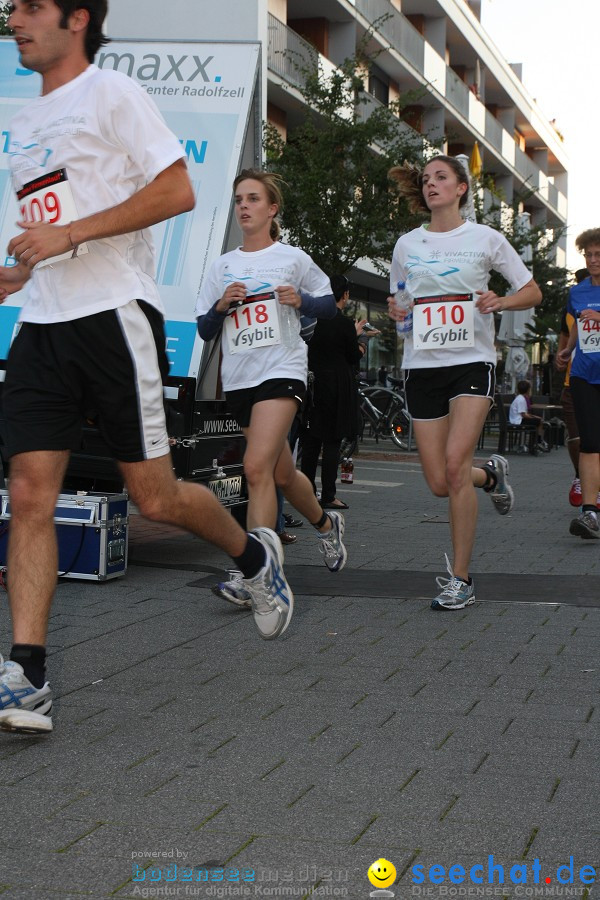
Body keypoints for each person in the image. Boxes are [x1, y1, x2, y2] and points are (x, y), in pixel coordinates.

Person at [0, 0, 296, 736]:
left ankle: (254, 559)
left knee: (155, 497)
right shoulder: (24, 124)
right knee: (31, 492)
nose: (15, 20)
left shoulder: (112, 93)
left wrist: (69, 234)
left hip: (113, 317)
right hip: (41, 322)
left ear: (76, 19)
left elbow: (177, 190)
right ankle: (27, 671)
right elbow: (38, 233)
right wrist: (15, 270)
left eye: (31, 7)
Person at [388, 156, 542, 610]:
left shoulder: (485, 238)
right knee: (440, 481)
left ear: (461, 188)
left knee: (455, 464)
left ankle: (461, 579)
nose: (431, 184)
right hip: (422, 365)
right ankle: (490, 475)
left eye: (441, 177)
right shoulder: (406, 244)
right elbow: (399, 306)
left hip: (471, 362)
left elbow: (531, 291)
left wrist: (501, 300)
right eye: (427, 179)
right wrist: (399, 314)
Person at [196, 169, 348, 609]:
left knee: (256, 468)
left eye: (253, 199)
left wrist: (302, 301)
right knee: (280, 472)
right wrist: (223, 306)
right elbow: (205, 329)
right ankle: (326, 525)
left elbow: (330, 307)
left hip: (283, 368)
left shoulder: (292, 258)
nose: (244, 206)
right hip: (241, 378)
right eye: (239, 199)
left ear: (271, 208)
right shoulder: (223, 266)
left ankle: (258, 575)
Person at [300, 274, 365, 510]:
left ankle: (306, 493)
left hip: (313, 385)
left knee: (311, 442)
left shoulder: (311, 320)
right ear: (344, 294)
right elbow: (352, 356)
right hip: (337, 387)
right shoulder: (344, 323)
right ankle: (328, 495)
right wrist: (361, 342)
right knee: (332, 442)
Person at [557, 230, 600, 539]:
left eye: (598, 254)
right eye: (589, 254)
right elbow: (577, 326)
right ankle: (589, 513)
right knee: (589, 442)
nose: (593, 260)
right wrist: (568, 350)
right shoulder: (577, 292)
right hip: (584, 373)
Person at [555, 268, 588, 507]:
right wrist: (561, 353)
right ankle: (580, 475)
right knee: (576, 437)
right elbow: (565, 335)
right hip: (572, 381)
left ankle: (591, 485)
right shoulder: (571, 306)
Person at [508, 380, 549, 452]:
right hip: (518, 421)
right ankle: (538, 441)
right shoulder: (521, 399)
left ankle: (535, 442)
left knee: (537, 420)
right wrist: (534, 417)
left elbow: (524, 413)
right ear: (528, 390)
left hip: (517, 419)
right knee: (538, 421)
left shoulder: (519, 398)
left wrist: (533, 417)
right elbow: (524, 415)